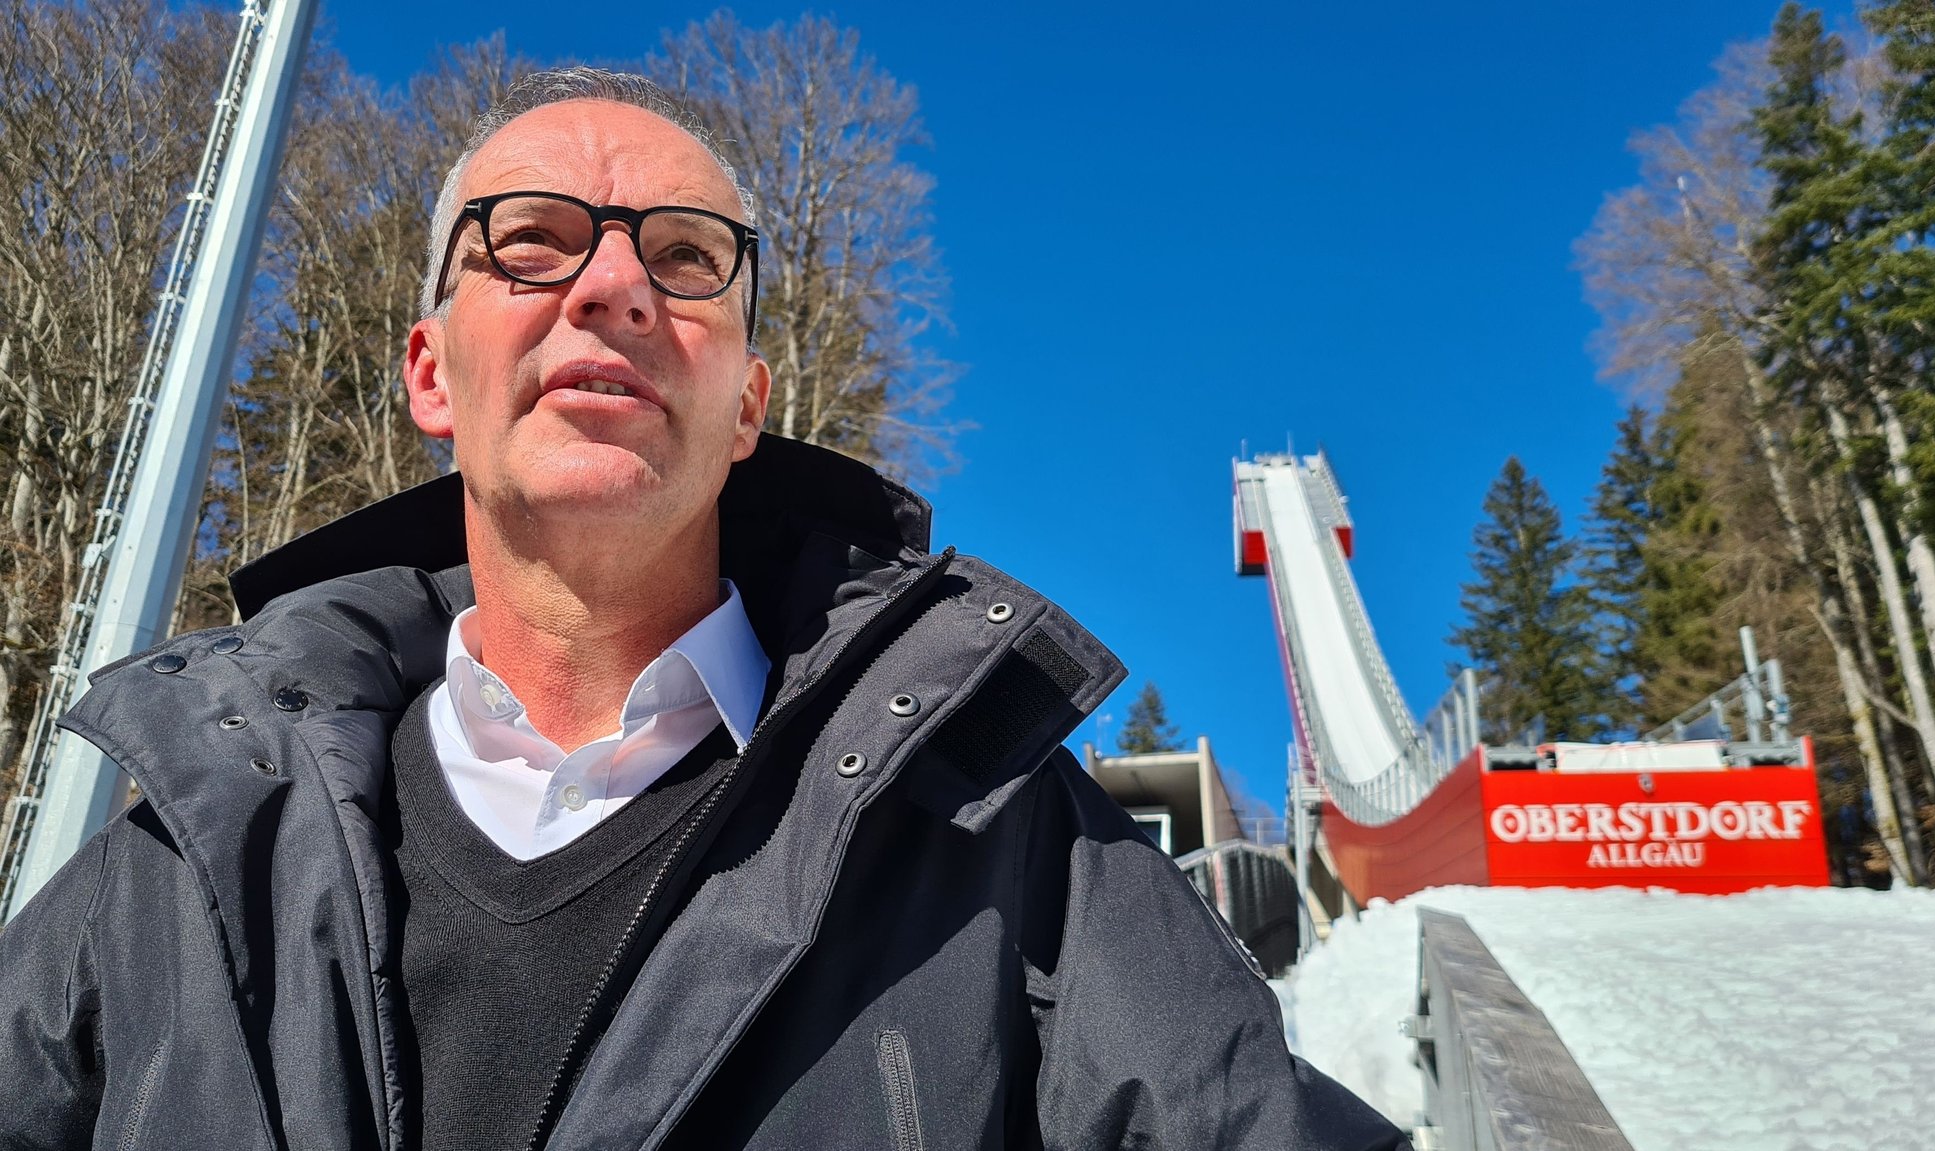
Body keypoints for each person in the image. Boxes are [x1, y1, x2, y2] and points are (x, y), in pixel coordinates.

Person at [0, 68, 1409, 1150]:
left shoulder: (1006, 848)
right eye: (531, 240)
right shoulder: (178, 868)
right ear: (432, 374)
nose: (612, 286)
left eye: (685, 259)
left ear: (749, 406)